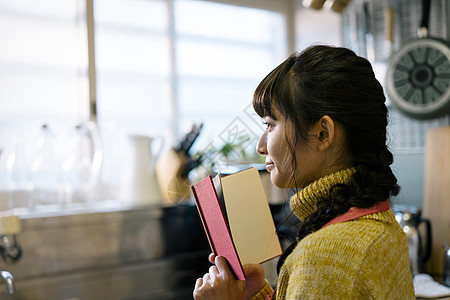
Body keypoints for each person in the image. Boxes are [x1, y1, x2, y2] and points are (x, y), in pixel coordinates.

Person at [193, 45, 415, 299]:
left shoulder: (323, 257)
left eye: (270, 125)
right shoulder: (382, 224)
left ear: (323, 133)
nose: (261, 146)